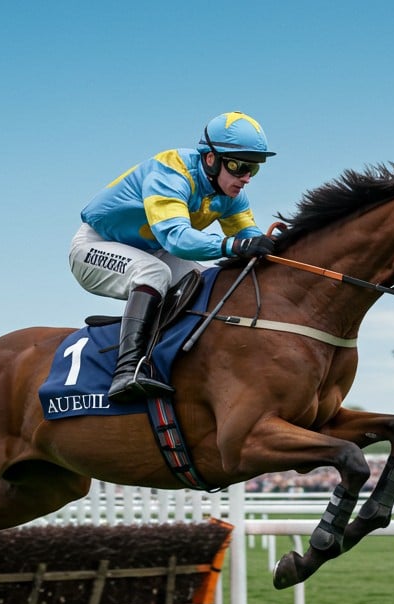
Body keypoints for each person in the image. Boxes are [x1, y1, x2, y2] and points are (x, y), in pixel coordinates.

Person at [70, 111, 278, 403]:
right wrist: (234, 246)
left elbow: (250, 238)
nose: (245, 178)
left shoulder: (231, 195)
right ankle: (126, 371)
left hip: (153, 251)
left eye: (253, 169)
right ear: (210, 159)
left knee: (207, 283)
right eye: (239, 166)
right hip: (94, 247)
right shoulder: (171, 171)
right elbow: (176, 238)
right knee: (154, 273)